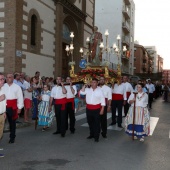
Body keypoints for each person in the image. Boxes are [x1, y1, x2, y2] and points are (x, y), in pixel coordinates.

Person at [3, 73, 24, 143]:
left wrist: (19, 108)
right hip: (4, 107)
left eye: (9, 77)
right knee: (2, 122)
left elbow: (20, 97)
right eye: (7, 77)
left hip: (13, 107)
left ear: (12, 78)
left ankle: (12, 137)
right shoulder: (3, 86)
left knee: (12, 123)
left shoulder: (17, 87)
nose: (8, 78)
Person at [0, 73, 6, 157]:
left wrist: (4, 112)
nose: (2, 81)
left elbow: (5, 102)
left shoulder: (3, 89)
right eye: (0, 79)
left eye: (3, 79)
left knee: (0, 134)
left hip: (2, 115)